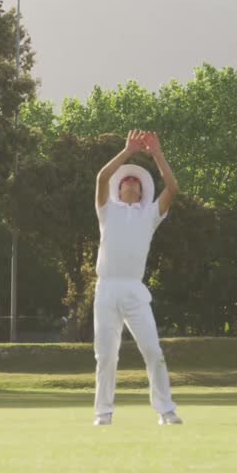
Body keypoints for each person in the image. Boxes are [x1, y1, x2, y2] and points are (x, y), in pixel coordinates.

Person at [92, 129, 182, 426]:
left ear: (142, 191)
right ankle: (103, 415)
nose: (130, 182)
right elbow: (102, 178)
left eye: (135, 181)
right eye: (126, 180)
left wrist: (156, 153)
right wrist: (128, 151)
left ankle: (165, 411)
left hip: (134, 291)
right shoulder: (107, 210)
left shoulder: (150, 214)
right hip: (106, 288)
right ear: (119, 190)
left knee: (153, 351)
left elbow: (172, 188)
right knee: (106, 356)